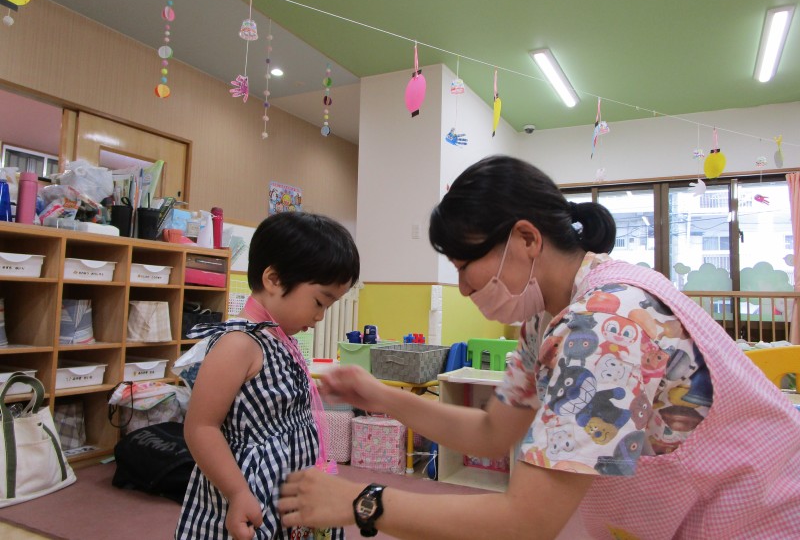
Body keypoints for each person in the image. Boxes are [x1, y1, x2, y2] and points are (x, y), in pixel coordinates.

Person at [278, 155, 800, 539]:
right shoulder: (545, 323)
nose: (462, 287)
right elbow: (491, 431)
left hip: (762, 519)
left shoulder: (604, 324)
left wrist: (362, 501)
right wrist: (380, 395)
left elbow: (525, 522)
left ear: (527, 239)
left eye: (464, 265)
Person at [175, 211, 360, 540]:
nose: (320, 316)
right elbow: (200, 427)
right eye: (320, 302)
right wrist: (236, 492)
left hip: (286, 487)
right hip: (248, 492)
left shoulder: (280, 338)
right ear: (273, 279)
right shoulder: (238, 344)